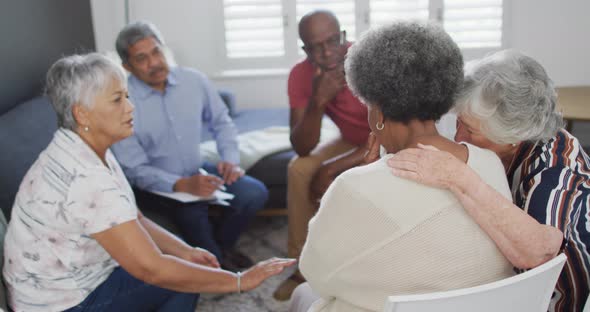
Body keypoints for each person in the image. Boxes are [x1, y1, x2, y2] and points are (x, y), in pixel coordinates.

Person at [1, 53, 295, 312]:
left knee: (182, 268)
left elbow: (134, 215)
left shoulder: (85, 145)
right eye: (117, 100)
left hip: (61, 282)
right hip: (59, 303)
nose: (130, 108)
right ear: (82, 113)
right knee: (178, 281)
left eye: (127, 96)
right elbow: (153, 269)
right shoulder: (87, 177)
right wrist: (239, 280)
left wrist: (184, 251)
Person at [289, 22, 514, 312]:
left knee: (305, 295)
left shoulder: (353, 186)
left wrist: (362, 181)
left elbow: (317, 274)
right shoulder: (490, 163)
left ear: (377, 110)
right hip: (486, 304)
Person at [387, 50, 590, 312]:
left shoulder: (555, 172)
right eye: (459, 122)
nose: (459, 137)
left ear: (512, 136)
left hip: (554, 301)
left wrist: (459, 177)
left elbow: (538, 254)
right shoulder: (501, 146)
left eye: (470, 130)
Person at [111, 21, 268, 271]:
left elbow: (222, 122)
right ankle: (218, 264)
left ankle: (221, 249)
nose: (154, 63)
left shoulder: (194, 81)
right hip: (156, 186)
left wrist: (230, 160)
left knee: (253, 192)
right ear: (127, 67)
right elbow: (134, 169)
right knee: (192, 211)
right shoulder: (122, 103)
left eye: (156, 52)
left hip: (197, 170)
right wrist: (180, 184)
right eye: (142, 59)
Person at [275, 10, 372, 300]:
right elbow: (302, 146)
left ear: (343, 36)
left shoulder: (368, 58)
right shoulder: (301, 75)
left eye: (333, 41)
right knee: (299, 167)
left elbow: (393, 128)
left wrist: (331, 168)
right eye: (316, 46)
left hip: (388, 138)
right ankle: (302, 264)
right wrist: (318, 101)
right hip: (351, 139)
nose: (328, 52)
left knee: (325, 169)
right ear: (305, 50)